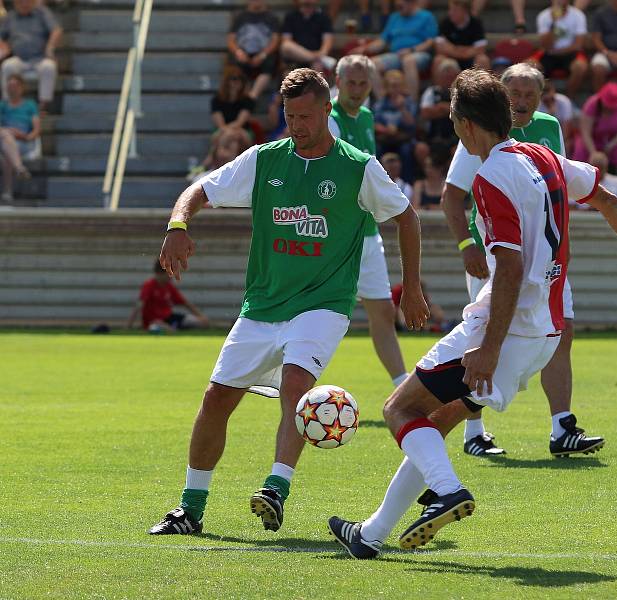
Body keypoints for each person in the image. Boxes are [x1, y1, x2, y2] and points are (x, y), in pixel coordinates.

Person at [328, 68, 617, 559]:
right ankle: (372, 535)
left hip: (504, 329)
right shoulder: (542, 156)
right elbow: (606, 196)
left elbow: (508, 265)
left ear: (464, 126)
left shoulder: (490, 177)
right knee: (436, 422)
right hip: (544, 334)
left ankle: (447, 491)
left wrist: (486, 347)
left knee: (399, 409)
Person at [148, 68, 428, 536]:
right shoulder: (263, 160)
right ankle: (189, 509)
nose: (296, 124)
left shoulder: (357, 166)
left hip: (324, 304)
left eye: (304, 115)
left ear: (326, 111)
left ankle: (276, 488)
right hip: (262, 305)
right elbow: (199, 190)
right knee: (216, 399)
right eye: (288, 115)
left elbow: (407, 217)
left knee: (297, 385)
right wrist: (178, 225)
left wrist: (412, 287)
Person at [442, 63, 602, 460]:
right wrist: (467, 245)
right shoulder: (479, 132)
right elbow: (451, 195)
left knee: (561, 333)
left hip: (544, 260)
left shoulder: (549, 128)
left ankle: (562, 426)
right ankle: (473, 432)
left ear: (542, 96)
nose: (522, 99)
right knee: (480, 338)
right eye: (514, 91)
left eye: (530, 92)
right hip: (496, 257)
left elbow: (561, 187)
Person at [328, 54, 409, 389]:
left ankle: (403, 386)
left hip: (366, 231)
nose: (358, 89)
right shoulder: (327, 119)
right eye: (352, 82)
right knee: (316, 313)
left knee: (384, 311)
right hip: (331, 235)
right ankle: (280, 381)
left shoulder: (365, 116)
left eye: (363, 83)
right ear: (338, 81)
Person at [349, 0, 438, 100]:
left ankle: (411, 104)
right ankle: (383, 103)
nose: (398, 7)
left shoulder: (426, 16)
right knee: (371, 64)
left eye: (401, 5)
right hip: (396, 55)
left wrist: (411, 50)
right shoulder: (395, 17)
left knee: (408, 60)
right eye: (398, 6)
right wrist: (363, 49)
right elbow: (382, 42)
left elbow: (431, 41)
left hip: (418, 53)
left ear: (412, 3)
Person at [0, 0, 62, 113]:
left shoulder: (42, 13)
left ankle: (43, 106)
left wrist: (50, 48)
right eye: (21, 2)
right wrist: (4, 46)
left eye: (27, 1)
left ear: (33, 2)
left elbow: (56, 30)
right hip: (18, 58)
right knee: (7, 66)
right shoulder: (10, 17)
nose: (24, 4)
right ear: (15, 3)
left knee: (49, 67)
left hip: (40, 58)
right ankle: (7, 104)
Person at [573, 81, 617, 183]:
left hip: (616, 139)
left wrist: (612, 144)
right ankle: (579, 185)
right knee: (580, 150)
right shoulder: (592, 104)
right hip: (593, 139)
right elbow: (585, 132)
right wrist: (593, 152)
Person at [127, 260, 209, 332]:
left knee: (201, 323)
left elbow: (185, 303)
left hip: (170, 318)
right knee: (157, 326)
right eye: (169, 273)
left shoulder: (169, 286)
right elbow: (139, 305)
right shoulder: (149, 285)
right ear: (159, 273)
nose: (171, 276)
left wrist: (201, 316)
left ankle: (175, 328)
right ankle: (169, 329)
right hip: (154, 321)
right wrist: (129, 325)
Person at [227, 0, 281, 101]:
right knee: (235, 65)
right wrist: (238, 52)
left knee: (270, 63)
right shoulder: (240, 17)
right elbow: (231, 40)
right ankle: (239, 97)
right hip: (243, 52)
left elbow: (275, 40)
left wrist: (263, 54)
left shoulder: (272, 17)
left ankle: (252, 97)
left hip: (264, 53)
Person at [534, 0, 589, 98]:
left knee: (580, 67)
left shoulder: (578, 15)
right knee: (531, 66)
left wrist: (559, 51)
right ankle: (543, 98)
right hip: (549, 54)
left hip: (571, 53)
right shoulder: (544, 16)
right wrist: (554, 22)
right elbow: (545, 45)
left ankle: (569, 99)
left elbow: (578, 44)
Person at [373, 69, 418, 178]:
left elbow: (412, 123)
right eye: (392, 86)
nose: (395, 89)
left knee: (406, 151)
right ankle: (377, 180)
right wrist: (385, 129)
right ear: (387, 87)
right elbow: (373, 123)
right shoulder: (380, 103)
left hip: (403, 139)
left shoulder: (408, 102)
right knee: (375, 149)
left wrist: (402, 109)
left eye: (398, 85)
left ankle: (406, 183)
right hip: (385, 139)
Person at [0, 74, 35, 203]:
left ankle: (7, 191)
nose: (12, 89)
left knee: (6, 154)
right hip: (3, 139)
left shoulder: (30, 105)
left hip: (23, 142)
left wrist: (24, 136)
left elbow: (36, 130)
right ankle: (19, 168)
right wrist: (9, 132)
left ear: (22, 88)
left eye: (14, 86)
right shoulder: (2, 105)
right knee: (6, 136)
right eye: (9, 86)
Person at [280, 0, 336, 74]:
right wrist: (312, 56)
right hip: (296, 56)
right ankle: (318, 58)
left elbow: (328, 41)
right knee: (286, 45)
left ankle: (317, 59)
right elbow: (286, 40)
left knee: (318, 68)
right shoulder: (290, 16)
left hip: (317, 54)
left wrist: (322, 52)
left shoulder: (324, 17)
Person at [419, 58, 460, 156]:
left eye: (451, 76)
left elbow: (464, 112)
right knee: (421, 149)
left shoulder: (461, 92)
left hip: (456, 138)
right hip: (434, 137)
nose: (448, 79)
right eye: (445, 76)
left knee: (456, 152)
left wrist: (444, 108)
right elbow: (425, 113)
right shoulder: (431, 92)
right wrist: (448, 109)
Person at [434, 0, 490, 71]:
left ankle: (482, 82)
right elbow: (439, 48)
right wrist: (463, 51)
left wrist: (454, 49)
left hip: (471, 59)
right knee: (438, 60)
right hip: (450, 58)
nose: (450, 13)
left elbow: (480, 49)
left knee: (483, 60)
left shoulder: (476, 23)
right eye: (450, 9)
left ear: (465, 11)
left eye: (455, 10)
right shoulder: (445, 23)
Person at [211, 65, 255, 133]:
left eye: (241, 79)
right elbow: (220, 124)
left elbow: (240, 123)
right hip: (221, 131)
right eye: (234, 78)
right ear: (227, 81)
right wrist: (228, 131)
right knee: (232, 139)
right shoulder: (217, 99)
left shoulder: (248, 100)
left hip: (242, 130)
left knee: (233, 136)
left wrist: (229, 131)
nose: (238, 81)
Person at [537, 80, 577, 156]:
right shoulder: (538, 105)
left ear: (553, 91)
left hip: (566, 135)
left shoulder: (564, 101)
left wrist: (562, 141)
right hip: (548, 134)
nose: (548, 99)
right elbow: (542, 127)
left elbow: (567, 125)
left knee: (567, 145)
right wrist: (550, 113)